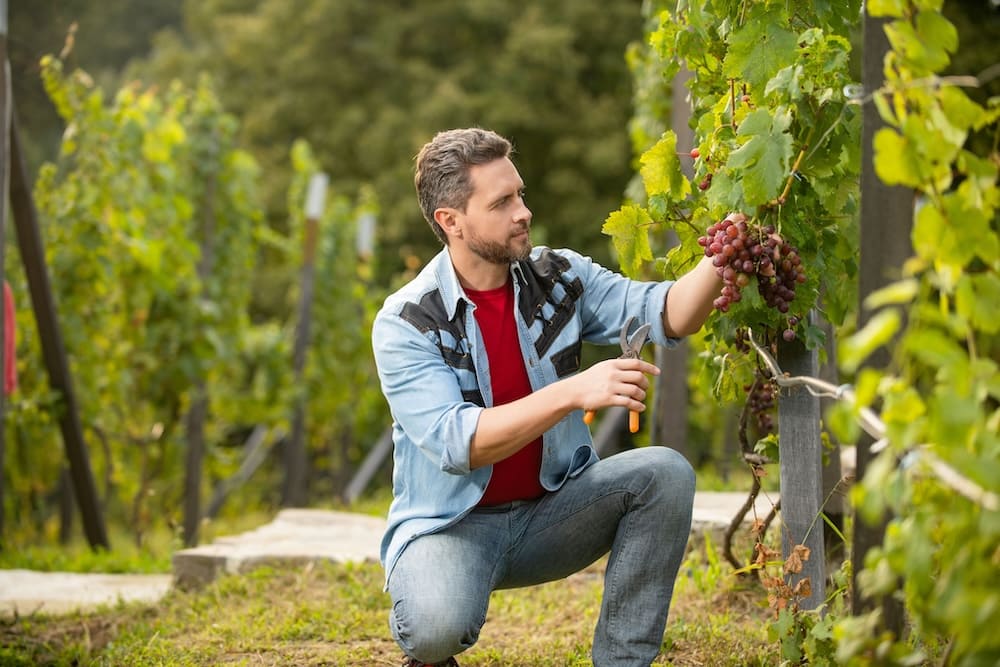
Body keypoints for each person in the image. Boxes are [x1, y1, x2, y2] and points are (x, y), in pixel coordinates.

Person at [372, 128, 722, 667]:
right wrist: (572, 391)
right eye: (502, 202)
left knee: (665, 474)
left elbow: (667, 310)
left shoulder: (559, 277)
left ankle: (622, 662)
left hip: (554, 512)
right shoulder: (408, 321)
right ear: (451, 221)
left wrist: (721, 258)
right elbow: (460, 442)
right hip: (453, 527)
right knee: (435, 626)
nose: (523, 212)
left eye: (520, 194)